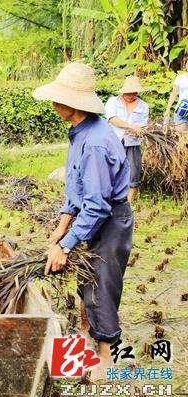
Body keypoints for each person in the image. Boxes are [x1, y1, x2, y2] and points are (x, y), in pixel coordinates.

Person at [33, 62, 133, 381]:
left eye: (58, 97)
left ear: (72, 103)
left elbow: (97, 207)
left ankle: (105, 361)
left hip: (111, 220)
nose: (53, 103)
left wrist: (65, 246)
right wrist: (60, 230)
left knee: (101, 285)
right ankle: (88, 341)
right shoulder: (80, 133)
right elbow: (75, 195)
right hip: (94, 216)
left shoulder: (94, 143)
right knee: (87, 282)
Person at [105, 76, 149, 202]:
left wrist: (138, 131)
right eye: (128, 93)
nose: (131, 95)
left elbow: (143, 125)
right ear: (123, 92)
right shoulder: (113, 102)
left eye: (134, 93)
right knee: (111, 169)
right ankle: (111, 197)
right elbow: (111, 119)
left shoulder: (143, 106)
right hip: (114, 141)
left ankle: (128, 201)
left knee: (133, 170)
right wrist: (130, 126)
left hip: (133, 142)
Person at [164, 60, 188, 131]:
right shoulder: (180, 78)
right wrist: (168, 109)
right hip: (181, 109)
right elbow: (173, 94)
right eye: (187, 63)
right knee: (180, 136)